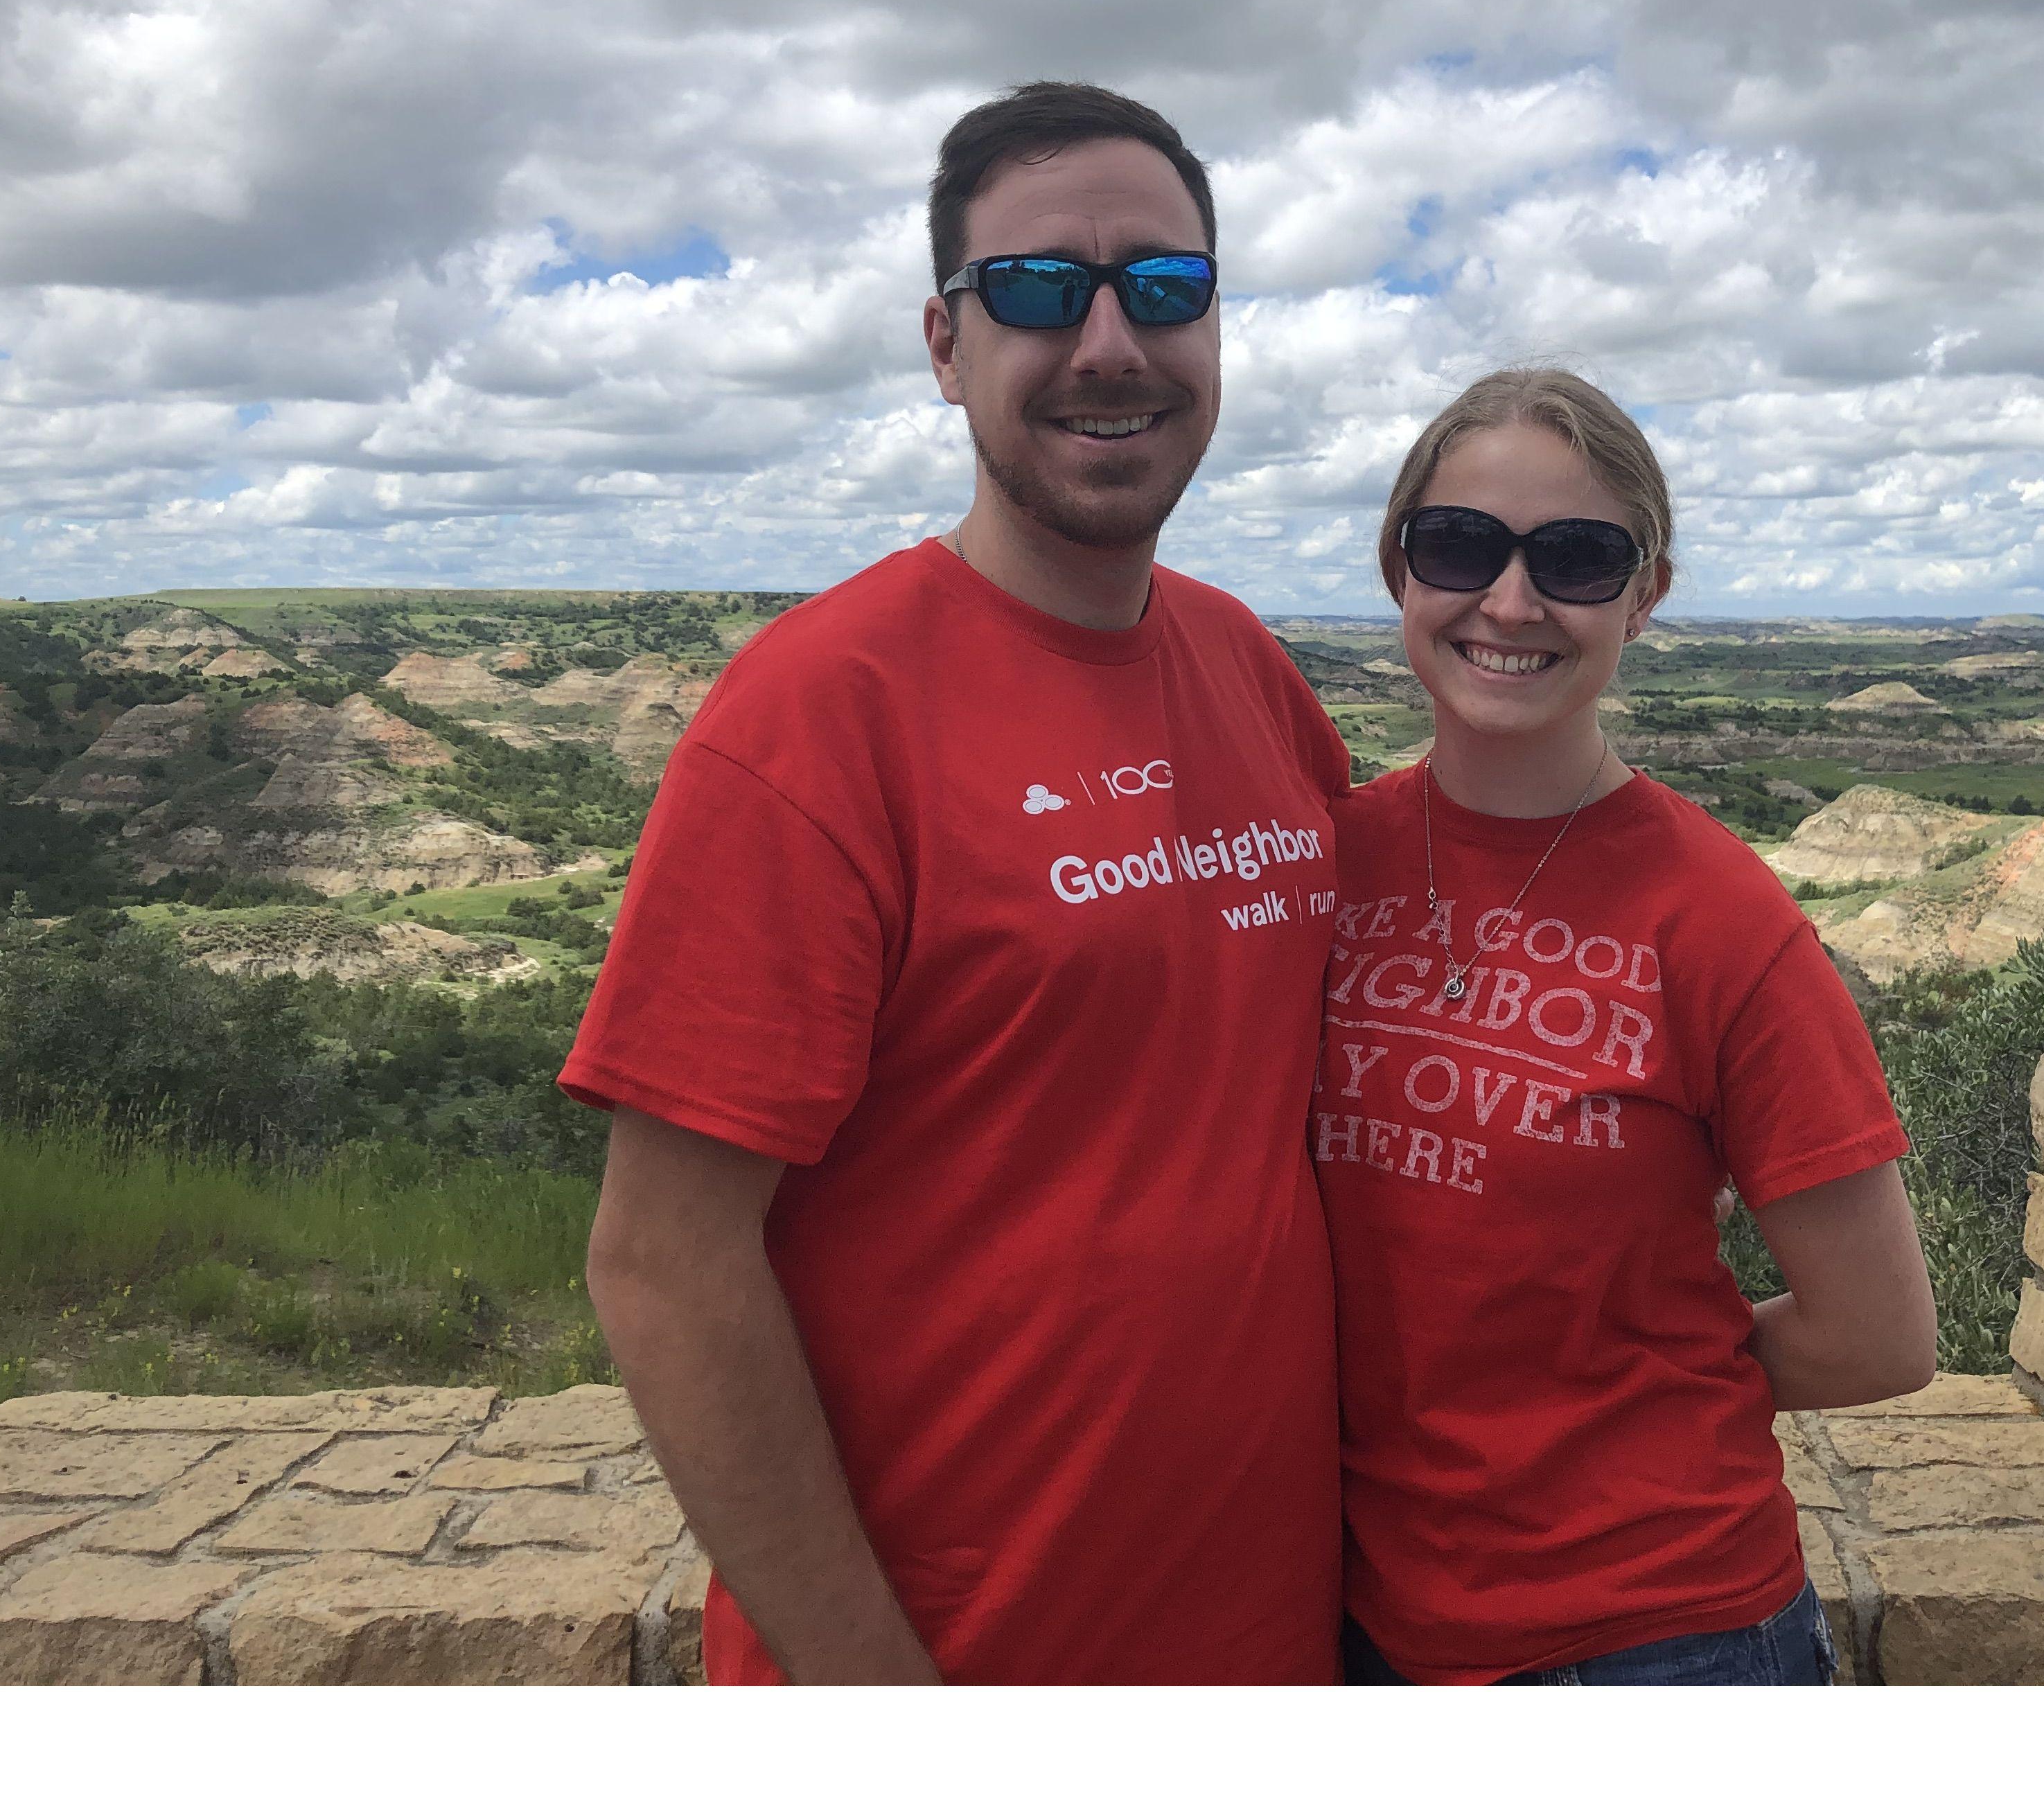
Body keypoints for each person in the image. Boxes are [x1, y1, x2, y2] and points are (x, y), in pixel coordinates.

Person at [565, 82, 1350, 1683]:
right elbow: (661, 1264)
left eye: (1169, 288)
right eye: (1043, 291)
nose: (1113, 343)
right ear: (946, 347)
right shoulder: (817, 716)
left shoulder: (1246, 664)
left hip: (1268, 1638)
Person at [1316, 367, 1936, 1685]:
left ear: (1646, 596)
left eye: (1579, 559)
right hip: (1360, 1615)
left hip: (1660, 1635)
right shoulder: (1323, 863)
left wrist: (1618, 1385)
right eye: (1461, 544)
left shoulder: (1719, 919)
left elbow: (1878, 1336)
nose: (1511, 601)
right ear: (1398, 565)